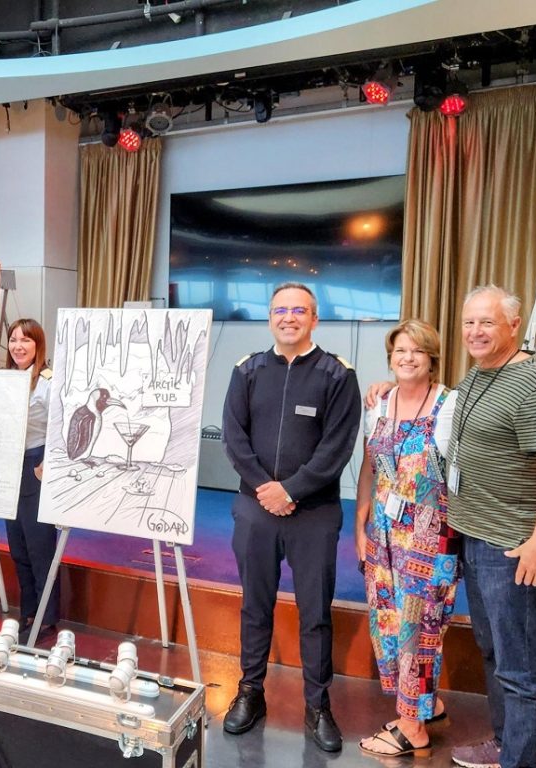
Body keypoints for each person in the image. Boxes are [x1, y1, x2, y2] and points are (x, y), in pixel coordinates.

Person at [221, 282, 361, 752]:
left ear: (315, 319)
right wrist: (267, 490)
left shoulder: (337, 375)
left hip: (314, 514)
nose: (289, 318)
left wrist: (291, 490)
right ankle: (249, 692)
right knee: (254, 606)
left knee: (315, 613)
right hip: (256, 510)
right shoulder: (247, 371)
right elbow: (234, 438)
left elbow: (336, 448)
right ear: (270, 318)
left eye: (299, 310)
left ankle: (318, 705)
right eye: (280, 310)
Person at [445, 286, 536, 768]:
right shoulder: (482, 372)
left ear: (514, 327)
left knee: (519, 669)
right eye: (468, 322)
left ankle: (520, 762)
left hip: (513, 548)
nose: (475, 332)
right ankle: (504, 745)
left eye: (487, 323)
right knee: (493, 652)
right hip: (475, 538)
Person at [355, 319, 458, 758]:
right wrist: (360, 524)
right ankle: (425, 705)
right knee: (390, 626)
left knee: (421, 629)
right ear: (390, 357)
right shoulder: (379, 403)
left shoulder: (450, 405)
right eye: (400, 351)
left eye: (417, 351)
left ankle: (412, 729)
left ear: (431, 357)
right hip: (381, 535)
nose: (408, 358)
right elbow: (368, 466)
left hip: (429, 540)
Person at [3, 318, 59, 645]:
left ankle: (46, 617)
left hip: (36, 466)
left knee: (40, 546)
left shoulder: (48, 382)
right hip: (10, 468)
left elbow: (61, 428)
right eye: (13, 340)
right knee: (18, 546)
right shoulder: (8, 379)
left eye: (25, 340)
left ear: (38, 345)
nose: (18, 346)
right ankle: (28, 610)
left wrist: (45, 466)